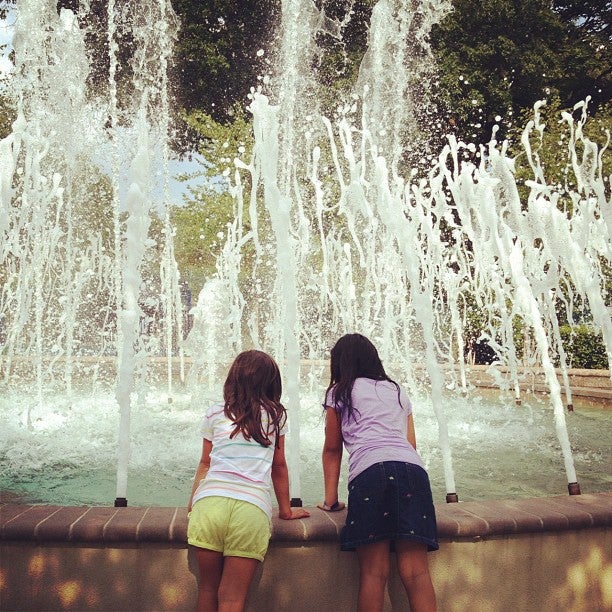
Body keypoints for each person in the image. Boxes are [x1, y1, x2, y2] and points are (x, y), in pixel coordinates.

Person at [319, 333, 438, 612]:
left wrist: (330, 501)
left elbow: (333, 449)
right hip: (413, 471)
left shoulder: (339, 392)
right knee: (417, 572)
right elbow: (411, 443)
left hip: (371, 473)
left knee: (375, 572)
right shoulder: (396, 390)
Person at [188, 350, 310, 612]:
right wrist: (285, 511)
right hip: (250, 510)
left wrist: (192, 502)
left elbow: (206, 462)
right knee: (232, 599)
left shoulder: (215, 413)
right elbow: (279, 466)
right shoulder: (276, 416)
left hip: (209, 505)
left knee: (208, 589)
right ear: (272, 383)